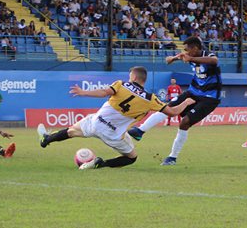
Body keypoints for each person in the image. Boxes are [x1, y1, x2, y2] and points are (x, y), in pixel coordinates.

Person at [37, 66, 196, 170]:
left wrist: (83, 92)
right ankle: (101, 163)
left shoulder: (121, 84)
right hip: (113, 134)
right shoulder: (150, 99)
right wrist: (186, 102)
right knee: (131, 158)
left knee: (70, 132)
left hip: (95, 123)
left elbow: (104, 92)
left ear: (133, 76)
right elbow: (173, 112)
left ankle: (47, 140)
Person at [127, 37, 222, 166]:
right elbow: (178, 57)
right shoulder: (188, 55)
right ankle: (140, 131)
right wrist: (172, 58)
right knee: (166, 107)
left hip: (209, 97)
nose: (186, 52)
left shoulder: (208, 56)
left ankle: (172, 157)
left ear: (195, 48)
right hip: (193, 92)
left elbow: (214, 60)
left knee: (185, 122)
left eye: (188, 49)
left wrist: (191, 59)